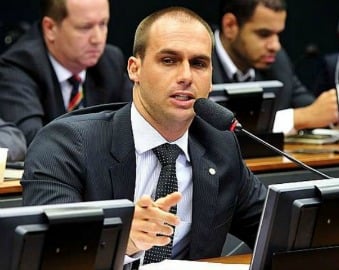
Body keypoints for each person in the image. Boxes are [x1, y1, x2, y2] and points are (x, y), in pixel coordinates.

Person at [21, 6, 266, 268]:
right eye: (169, 60)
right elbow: (51, 255)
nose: (185, 76)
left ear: (211, 79)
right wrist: (121, 240)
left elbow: (275, 229)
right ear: (134, 69)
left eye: (198, 64)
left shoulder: (220, 146)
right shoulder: (66, 145)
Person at [0, 0, 132, 145]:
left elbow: (137, 125)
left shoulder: (110, 61)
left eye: (103, 24)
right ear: (50, 28)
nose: (97, 39)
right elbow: (34, 141)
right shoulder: (20, 66)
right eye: (85, 27)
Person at [213, 0, 339, 134]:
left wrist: (333, 112)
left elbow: (311, 109)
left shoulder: (278, 61)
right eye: (264, 34)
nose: (275, 46)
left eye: (277, 34)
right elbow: (207, 129)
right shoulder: (196, 58)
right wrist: (297, 118)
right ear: (230, 26)